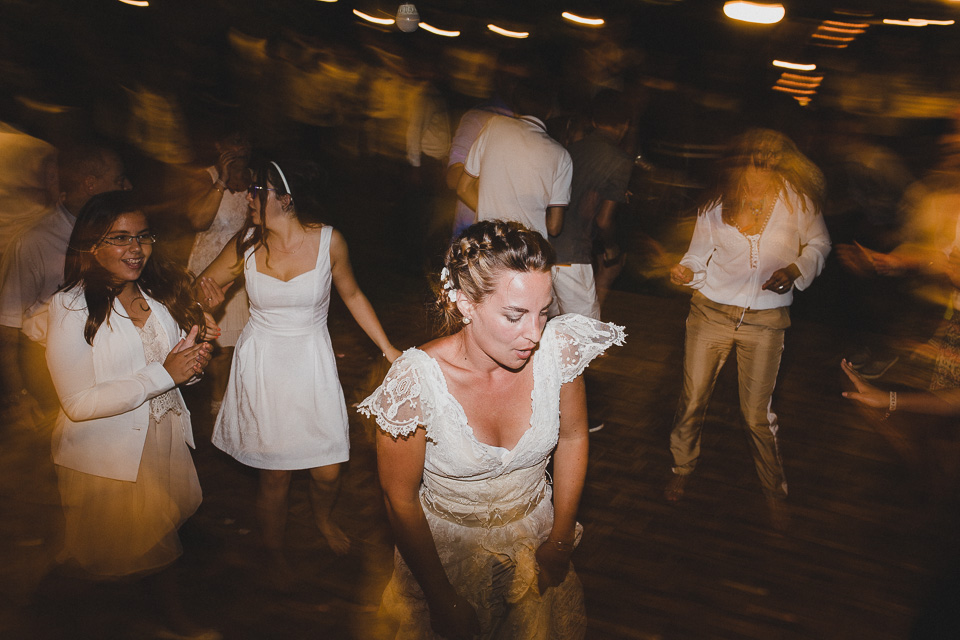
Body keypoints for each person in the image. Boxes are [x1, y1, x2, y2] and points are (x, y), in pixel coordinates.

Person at [359, 220, 624, 639]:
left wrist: (558, 541)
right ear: (465, 304)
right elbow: (400, 500)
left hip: (536, 544)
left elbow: (574, 438)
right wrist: (442, 598)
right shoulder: (414, 383)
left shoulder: (558, 352)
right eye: (515, 316)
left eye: (544, 311)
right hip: (446, 560)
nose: (534, 334)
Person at [196, 158, 401, 567]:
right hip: (263, 366)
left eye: (259, 191)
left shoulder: (329, 242)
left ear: (286, 198)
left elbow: (354, 296)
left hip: (310, 363)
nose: (250, 198)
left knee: (327, 470)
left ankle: (323, 519)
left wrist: (388, 349)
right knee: (275, 476)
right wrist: (205, 305)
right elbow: (203, 286)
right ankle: (275, 556)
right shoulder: (247, 243)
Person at [42, 190, 215, 637]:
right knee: (101, 558)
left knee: (161, 540)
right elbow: (78, 404)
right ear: (92, 246)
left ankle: (168, 620)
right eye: (119, 238)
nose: (135, 249)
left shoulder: (159, 296)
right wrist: (163, 373)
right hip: (107, 453)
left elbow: (177, 373)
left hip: (161, 442)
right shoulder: (71, 306)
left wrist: (193, 364)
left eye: (142, 236)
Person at [665, 129, 831, 522]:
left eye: (770, 160)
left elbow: (820, 245)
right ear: (740, 161)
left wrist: (795, 269)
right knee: (692, 401)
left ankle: (775, 491)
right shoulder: (717, 203)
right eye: (755, 159)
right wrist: (684, 272)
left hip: (766, 322)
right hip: (710, 315)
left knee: (756, 414)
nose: (761, 166)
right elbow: (696, 257)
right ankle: (681, 470)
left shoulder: (798, 202)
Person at [0, 144, 132, 422]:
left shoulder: (123, 236)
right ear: (90, 184)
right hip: (48, 374)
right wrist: (18, 396)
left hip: (111, 367)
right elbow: (6, 328)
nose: (127, 187)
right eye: (119, 181)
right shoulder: (34, 241)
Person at [184, 132, 252, 416]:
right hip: (206, 268)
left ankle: (225, 403)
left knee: (235, 344)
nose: (236, 148)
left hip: (239, 271)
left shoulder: (255, 180)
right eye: (230, 142)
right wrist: (222, 181)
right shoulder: (205, 177)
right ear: (218, 145)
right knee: (212, 342)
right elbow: (198, 220)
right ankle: (214, 403)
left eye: (242, 141)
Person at [458, 80, 573, 240]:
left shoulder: (493, 126)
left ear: (515, 106)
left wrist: (493, 214)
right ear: (550, 111)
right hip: (528, 249)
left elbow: (463, 189)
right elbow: (554, 227)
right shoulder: (562, 155)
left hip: (489, 242)